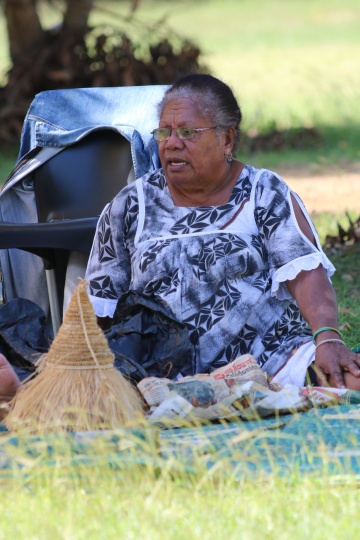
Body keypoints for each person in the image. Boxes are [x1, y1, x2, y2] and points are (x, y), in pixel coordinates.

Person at [0, 74, 359, 413]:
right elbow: (99, 305)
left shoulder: (265, 192)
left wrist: (327, 338)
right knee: (81, 405)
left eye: (188, 131)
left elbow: (306, 272)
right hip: (158, 371)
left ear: (227, 140)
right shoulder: (131, 205)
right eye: (164, 131)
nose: (171, 143)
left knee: (351, 380)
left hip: (271, 360)